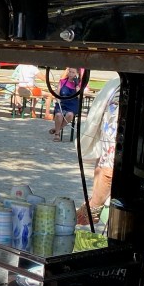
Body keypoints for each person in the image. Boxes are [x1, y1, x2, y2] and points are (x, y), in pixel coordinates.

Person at [77, 76, 121, 225]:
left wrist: (93, 207)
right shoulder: (119, 90)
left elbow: (109, 170)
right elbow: (105, 158)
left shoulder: (119, 95)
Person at [49, 67, 82, 140]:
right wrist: (57, 98)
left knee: (69, 115)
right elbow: (57, 92)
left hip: (72, 104)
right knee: (58, 115)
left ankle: (57, 129)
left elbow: (80, 97)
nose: (70, 74)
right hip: (62, 103)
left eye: (73, 72)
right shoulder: (62, 81)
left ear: (77, 74)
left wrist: (77, 86)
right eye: (70, 72)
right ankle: (57, 134)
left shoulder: (79, 84)